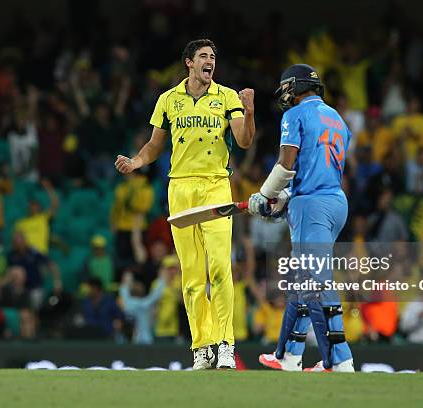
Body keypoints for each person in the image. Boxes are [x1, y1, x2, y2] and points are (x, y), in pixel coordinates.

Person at [115, 39, 255, 369]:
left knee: (220, 269)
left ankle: (225, 344)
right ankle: (202, 346)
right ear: (189, 63)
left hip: (217, 187)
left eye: (213, 57)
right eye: (203, 56)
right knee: (191, 275)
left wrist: (249, 112)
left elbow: (245, 141)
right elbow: (153, 145)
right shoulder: (168, 100)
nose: (210, 62)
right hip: (179, 188)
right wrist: (136, 162)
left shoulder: (228, 98)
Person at [250, 64, 354, 372]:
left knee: (317, 282)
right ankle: (289, 355)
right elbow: (316, 166)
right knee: (303, 281)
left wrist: (265, 194)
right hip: (335, 201)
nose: (284, 93)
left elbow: (286, 163)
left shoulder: (293, 116)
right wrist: (284, 198)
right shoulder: (337, 118)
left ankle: (340, 359)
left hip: (312, 205)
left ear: (295, 87)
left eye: (286, 87)